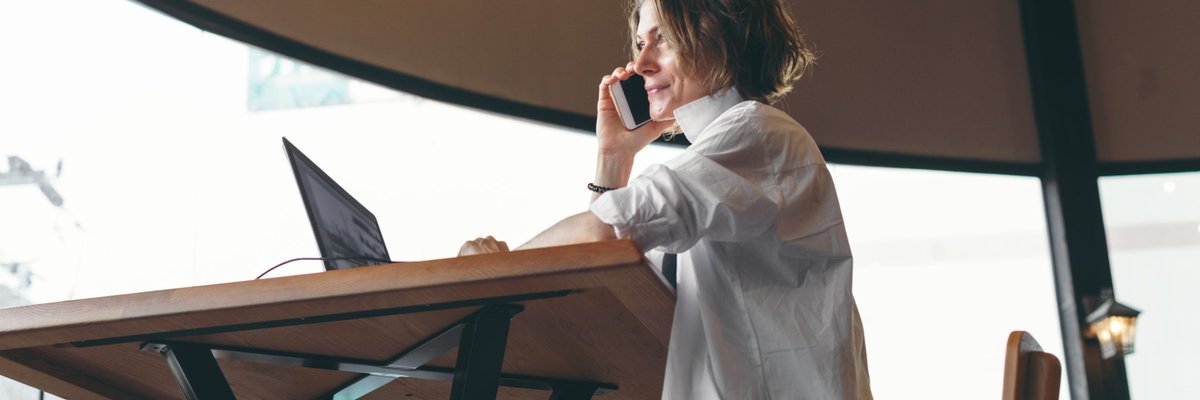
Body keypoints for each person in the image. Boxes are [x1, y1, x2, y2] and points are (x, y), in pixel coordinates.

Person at [460, 0, 872, 398]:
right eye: (641, 43)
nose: (641, 64)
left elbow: (606, 233)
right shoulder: (718, 162)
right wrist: (614, 156)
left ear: (722, 36)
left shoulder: (757, 133)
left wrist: (488, 270)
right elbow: (611, 266)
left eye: (665, 39)